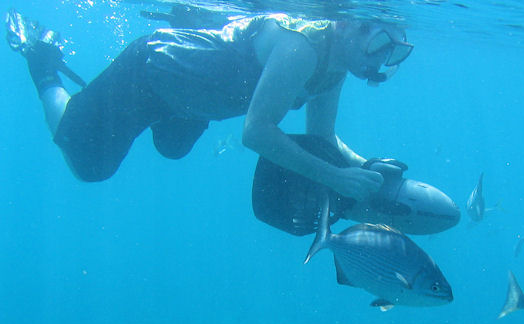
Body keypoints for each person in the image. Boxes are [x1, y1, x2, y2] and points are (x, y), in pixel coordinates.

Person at [5, 8, 414, 203]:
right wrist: (337, 179)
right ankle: (43, 65)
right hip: (152, 71)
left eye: (394, 54)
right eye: (378, 43)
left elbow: (322, 137)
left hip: (189, 103)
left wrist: (363, 167)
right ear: (343, 22)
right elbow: (256, 132)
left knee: (173, 149)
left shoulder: (335, 66)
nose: (378, 60)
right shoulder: (302, 46)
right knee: (90, 165)